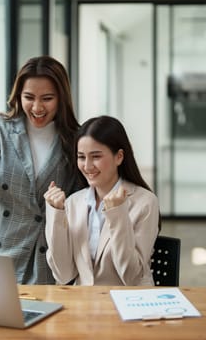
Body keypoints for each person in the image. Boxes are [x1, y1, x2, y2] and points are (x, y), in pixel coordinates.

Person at [0, 56, 80, 284]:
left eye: (47, 98)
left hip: (40, 260)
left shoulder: (74, 139)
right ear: (18, 96)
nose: (37, 107)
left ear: (62, 98)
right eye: (29, 97)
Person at [44, 115, 160, 286]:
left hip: (129, 304)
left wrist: (118, 213)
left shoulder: (145, 202)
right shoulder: (73, 202)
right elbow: (63, 274)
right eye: (81, 157)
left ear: (119, 157)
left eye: (96, 156)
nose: (87, 166)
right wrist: (56, 214)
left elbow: (132, 278)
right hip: (84, 304)